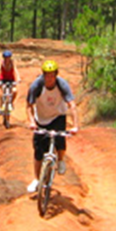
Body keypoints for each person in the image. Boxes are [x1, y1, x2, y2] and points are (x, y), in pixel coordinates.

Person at [26, 60, 79, 193]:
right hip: (41, 119)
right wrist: (32, 121)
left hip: (57, 116)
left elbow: (72, 105)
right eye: (47, 75)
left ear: (56, 75)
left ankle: (60, 160)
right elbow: (28, 106)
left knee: (60, 141)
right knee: (38, 151)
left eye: (52, 75)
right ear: (43, 75)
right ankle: (37, 179)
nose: (50, 78)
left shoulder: (62, 85)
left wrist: (75, 126)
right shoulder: (36, 86)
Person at [0, 50, 21, 115]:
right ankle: (0, 107)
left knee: (14, 91)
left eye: (8, 57)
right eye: (6, 57)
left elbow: (15, 70)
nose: (7, 59)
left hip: (11, 79)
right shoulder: (1, 63)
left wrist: (18, 78)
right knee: (1, 94)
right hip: (3, 79)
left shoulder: (12, 62)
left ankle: (11, 102)